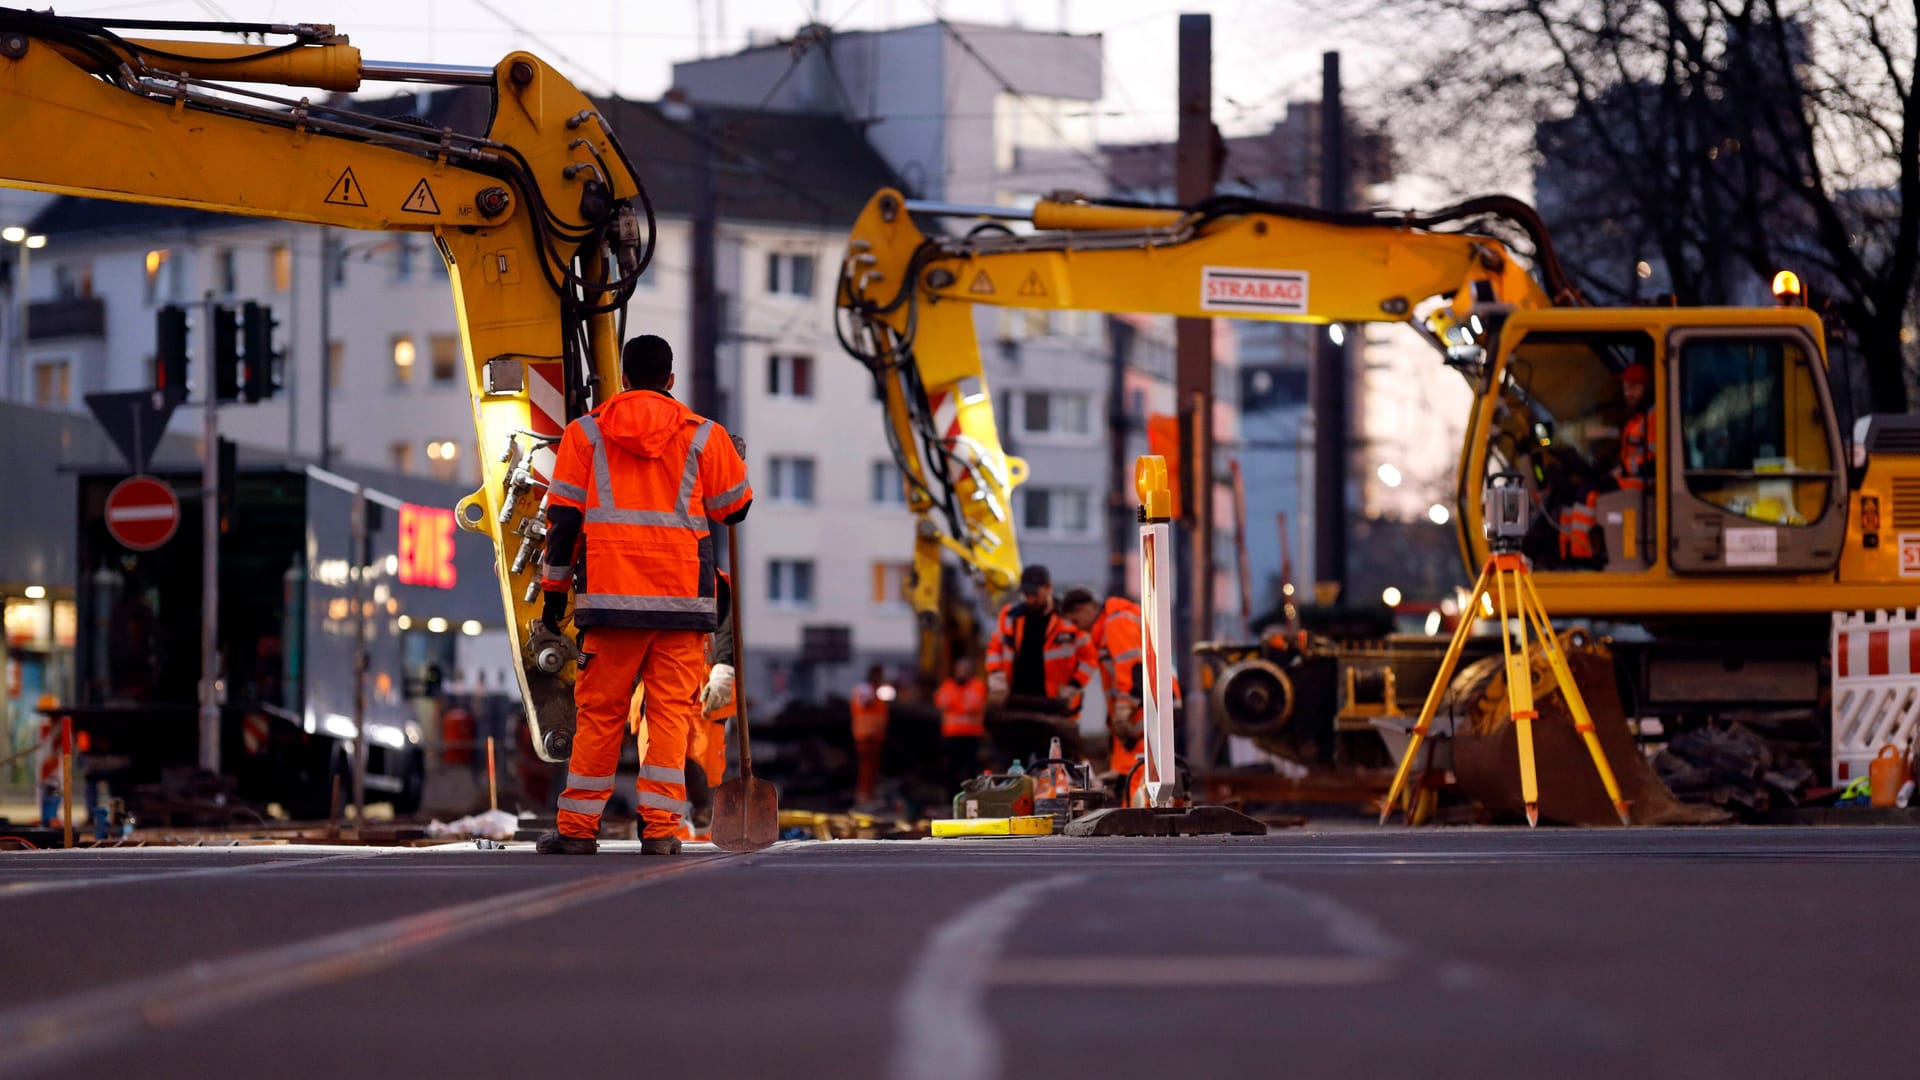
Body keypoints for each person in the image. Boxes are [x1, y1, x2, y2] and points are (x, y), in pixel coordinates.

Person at [534, 334, 752, 856]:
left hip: (609, 603)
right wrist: (735, 461)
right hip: (682, 606)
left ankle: (578, 831)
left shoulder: (585, 435)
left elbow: (562, 523)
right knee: (669, 718)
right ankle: (660, 831)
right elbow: (735, 509)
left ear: (624, 379)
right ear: (670, 380)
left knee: (601, 715)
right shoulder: (705, 436)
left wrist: (554, 596)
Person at [1060, 587, 1180, 795]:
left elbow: (1132, 668)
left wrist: (1124, 709)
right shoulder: (1112, 625)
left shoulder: (1116, 622)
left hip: (1144, 714)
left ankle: (1137, 823)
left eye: (1075, 621)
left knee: (1137, 780)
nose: (1077, 629)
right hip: (1144, 713)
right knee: (1132, 777)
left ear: (1085, 610)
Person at [984, 565, 1097, 767]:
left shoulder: (1067, 621)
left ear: (1048, 589)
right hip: (1015, 707)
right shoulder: (1010, 616)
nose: (1030, 599)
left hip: (1053, 710)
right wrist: (997, 678)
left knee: (1053, 770)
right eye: (1026, 594)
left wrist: (1073, 686)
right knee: (1012, 769)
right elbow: (995, 648)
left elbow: (1089, 658)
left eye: (1034, 594)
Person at [680, 570, 737, 843]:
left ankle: (702, 832)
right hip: (663, 684)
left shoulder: (716, 581)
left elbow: (727, 628)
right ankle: (665, 830)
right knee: (661, 765)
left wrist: (724, 668)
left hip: (704, 689)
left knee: (703, 768)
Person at [933, 655, 987, 790]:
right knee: (951, 769)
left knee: (971, 770)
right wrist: (959, 702)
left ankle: (972, 798)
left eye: (964, 670)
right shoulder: (948, 685)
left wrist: (954, 702)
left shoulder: (977, 686)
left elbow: (973, 706)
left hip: (971, 735)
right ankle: (950, 799)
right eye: (959, 670)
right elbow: (940, 702)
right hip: (951, 735)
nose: (961, 673)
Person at [849, 664, 892, 806]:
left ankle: (869, 794)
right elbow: (865, 703)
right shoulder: (865, 690)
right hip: (865, 735)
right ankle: (863, 795)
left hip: (875, 736)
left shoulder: (877, 691)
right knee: (866, 767)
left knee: (873, 768)